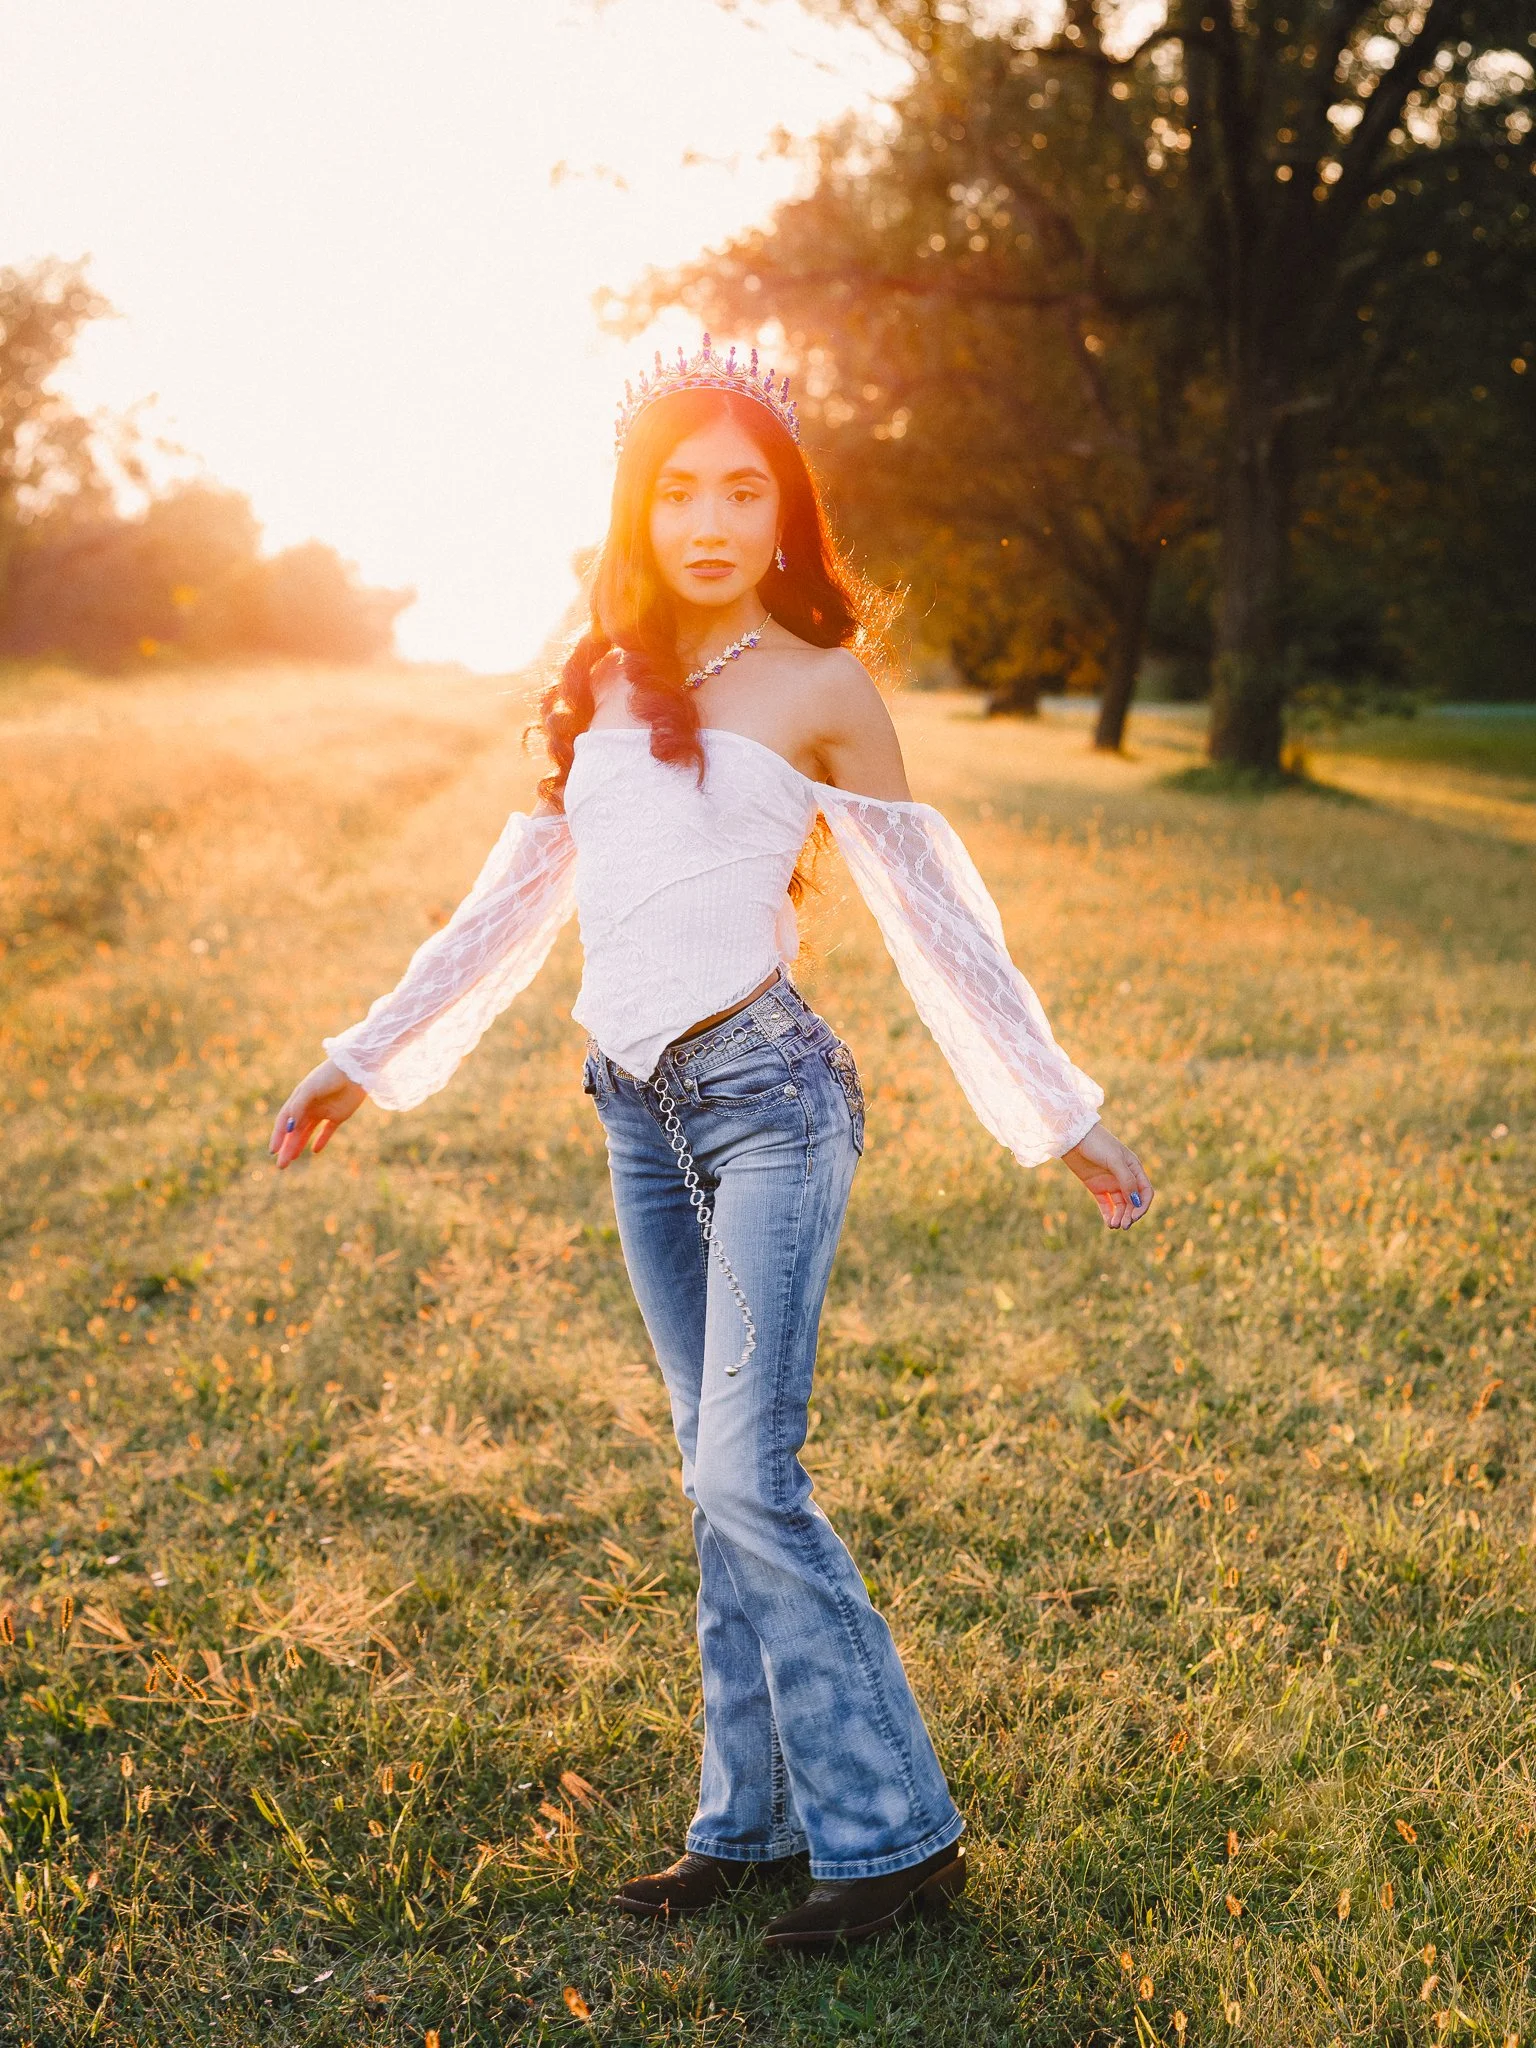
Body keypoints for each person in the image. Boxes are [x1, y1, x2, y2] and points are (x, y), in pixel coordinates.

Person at [269, 337, 1154, 1952]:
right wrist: (363, 1059)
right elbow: (509, 904)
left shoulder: (823, 688)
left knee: (749, 1470)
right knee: (711, 1477)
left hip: (770, 1105)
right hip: (634, 1112)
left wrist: (1060, 1112)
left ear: (785, 512)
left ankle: (892, 1837)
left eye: (745, 491)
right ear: (639, 509)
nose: (711, 520)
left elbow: (939, 921)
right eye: (679, 491)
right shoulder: (603, 685)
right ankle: (745, 1827)